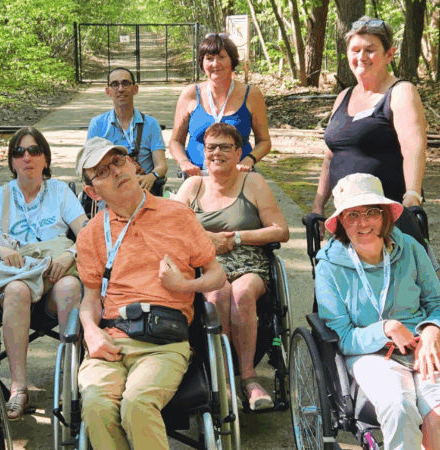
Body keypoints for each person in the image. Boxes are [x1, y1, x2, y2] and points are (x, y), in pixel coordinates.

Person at [75, 136, 226, 449]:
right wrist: (90, 330)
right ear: (92, 192)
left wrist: (185, 286)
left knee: (137, 404)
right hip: (111, 341)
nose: (116, 172)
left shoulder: (178, 215)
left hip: (164, 341)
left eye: (118, 161)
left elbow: (217, 275)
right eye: (102, 172)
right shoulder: (90, 235)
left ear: (132, 164)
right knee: (96, 405)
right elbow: (90, 299)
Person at [316, 173, 440, 450]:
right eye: (352, 215)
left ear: (385, 215)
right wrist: (385, 328)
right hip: (371, 352)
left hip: (423, 344)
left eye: (372, 212)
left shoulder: (411, 247)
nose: (363, 223)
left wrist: (432, 332)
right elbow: (344, 338)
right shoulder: (329, 266)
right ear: (341, 223)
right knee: (398, 406)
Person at [0, 127, 86, 420]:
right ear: (12, 161)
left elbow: (88, 233)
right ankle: (19, 387)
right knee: (17, 289)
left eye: (34, 151)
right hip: (13, 282)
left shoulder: (60, 192)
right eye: (19, 152)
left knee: (71, 285)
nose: (26, 157)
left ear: (46, 159)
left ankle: (74, 381)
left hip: (52, 277)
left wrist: (69, 254)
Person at [173, 122, 289, 410]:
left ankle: (249, 378)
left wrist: (236, 237)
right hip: (206, 264)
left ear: (239, 153)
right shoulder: (192, 186)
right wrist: (208, 239)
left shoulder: (253, 183)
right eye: (211, 147)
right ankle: (224, 379)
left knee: (242, 293)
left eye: (225, 147)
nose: (217, 153)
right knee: (217, 293)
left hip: (250, 262)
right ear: (203, 152)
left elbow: (280, 230)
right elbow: (171, 231)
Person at [313, 17, 428, 248]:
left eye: (370, 50)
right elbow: (330, 157)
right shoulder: (343, 96)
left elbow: (413, 148)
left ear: (389, 54)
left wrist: (413, 195)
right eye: (355, 50)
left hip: (386, 219)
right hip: (346, 218)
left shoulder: (401, 92)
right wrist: (318, 207)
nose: (362, 57)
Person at [170, 33, 271, 176]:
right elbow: (175, 141)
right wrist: (184, 163)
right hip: (197, 175)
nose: (215, 64)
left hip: (238, 175)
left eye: (221, 57)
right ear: (202, 62)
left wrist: (249, 160)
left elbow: (265, 141)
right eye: (209, 58)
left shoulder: (251, 94)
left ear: (232, 60)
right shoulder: (190, 94)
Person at [87, 67, 168, 194]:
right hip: (110, 192)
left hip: (142, 190)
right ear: (108, 91)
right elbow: (89, 166)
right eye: (115, 84)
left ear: (135, 89)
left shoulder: (151, 124)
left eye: (125, 83)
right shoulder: (97, 124)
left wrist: (151, 177)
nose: (120, 89)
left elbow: (161, 165)